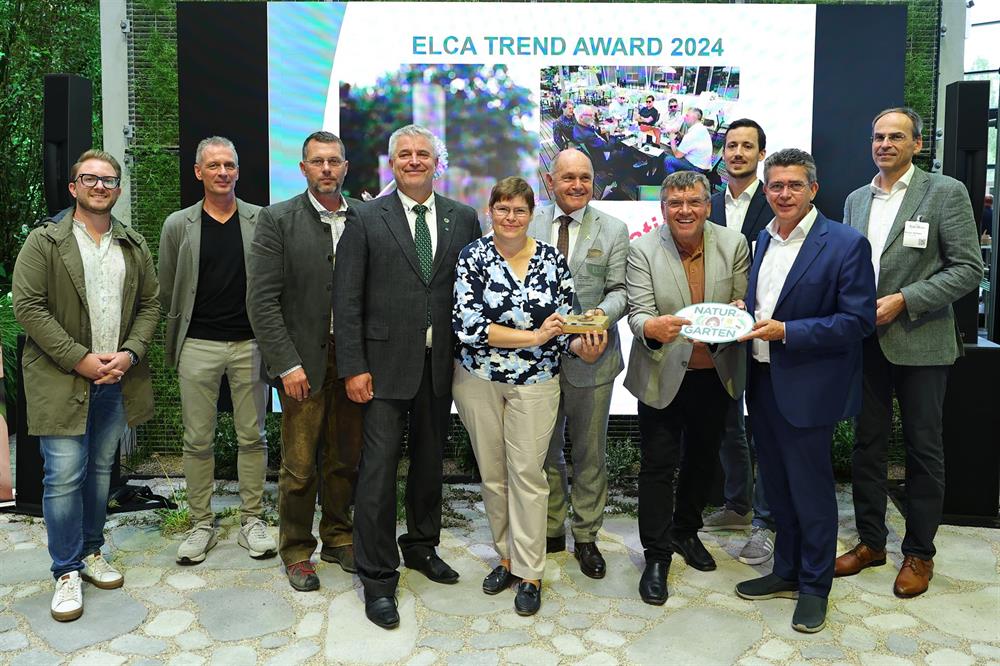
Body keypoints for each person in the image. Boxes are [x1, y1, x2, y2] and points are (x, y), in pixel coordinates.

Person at [333, 124, 481, 629]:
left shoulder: (463, 218)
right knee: (377, 473)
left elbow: (471, 294)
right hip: (380, 369)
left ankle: (421, 545)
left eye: (423, 154)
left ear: (437, 163)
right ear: (391, 163)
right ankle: (378, 577)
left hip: (440, 367)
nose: (414, 161)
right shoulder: (365, 217)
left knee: (429, 464)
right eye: (405, 154)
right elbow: (346, 299)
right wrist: (353, 366)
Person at [837, 107, 983, 597]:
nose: (885, 144)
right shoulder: (857, 199)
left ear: (917, 144)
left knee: (923, 449)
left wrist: (905, 300)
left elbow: (968, 268)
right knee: (867, 446)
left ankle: (919, 553)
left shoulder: (944, 192)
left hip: (922, 340)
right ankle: (871, 543)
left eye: (896, 137)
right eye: (878, 136)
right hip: (865, 342)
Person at [13, 149, 158, 621]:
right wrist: (81, 360)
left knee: (99, 472)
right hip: (60, 379)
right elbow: (28, 307)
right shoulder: (44, 241)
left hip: (116, 379)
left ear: (118, 189)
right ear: (74, 187)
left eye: (109, 180)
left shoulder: (132, 244)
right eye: (90, 178)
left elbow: (151, 305)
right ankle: (66, 570)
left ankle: (93, 551)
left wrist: (129, 354)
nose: (100, 186)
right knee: (63, 476)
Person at [735, 149, 875, 634]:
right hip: (763, 381)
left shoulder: (845, 243)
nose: (784, 194)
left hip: (809, 390)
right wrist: (743, 310)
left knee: (811, 493)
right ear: (766, 190)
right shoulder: (763, 238)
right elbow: (766, 302)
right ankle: (787, 570)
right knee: (776, 487)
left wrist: (788, 332)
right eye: (776, 185)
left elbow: (857, 321)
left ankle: (815, 587)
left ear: (813, 189)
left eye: (794, 185)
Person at [453, 177, 606, 616]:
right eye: (502, 209)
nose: (511, 217)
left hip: (537, 382)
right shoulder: (472, 256)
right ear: (490, 211)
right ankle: (505, 558)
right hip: (478, 379)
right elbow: (469, 326)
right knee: (493, 474)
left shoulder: (551, 259)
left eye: (519, 210)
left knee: (528, 475)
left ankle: (530, 572)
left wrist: (582, 343)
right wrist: (535, 337)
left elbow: (564, 325)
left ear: (531, 214)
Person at [624, 170, 750, 605]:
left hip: (715, 373)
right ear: (663, 209)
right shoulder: (642, 249)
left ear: (708, 206)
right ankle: (657, 555)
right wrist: (651, 327)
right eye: (675, 203)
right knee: (658, 466)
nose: (685, 210)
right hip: (661, 373)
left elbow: (740, 303)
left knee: (702, 460)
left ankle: (685, 531)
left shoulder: (734, 243)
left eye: (693, 202)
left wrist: (739, 312)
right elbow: (638, 314)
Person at [246, 131, 364, 591]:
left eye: (334, 161)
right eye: (318, 161)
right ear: (303, 168)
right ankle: (296, 549)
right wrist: (286, 364)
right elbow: (262, 301)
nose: (327, 169)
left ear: (346, 167)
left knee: (346, 458)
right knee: (298, 466)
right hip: (301, 363)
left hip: (351, 359)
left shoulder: (365, 217)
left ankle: (338, 537)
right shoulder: (278, 219)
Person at [159, 137, 275, 565]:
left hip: (251, 344)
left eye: (229, 164)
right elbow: (167, 287)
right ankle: (200, 524)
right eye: (213, 165)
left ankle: (252, 520)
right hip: (197, 345)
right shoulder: (178, 225)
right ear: (198, 172)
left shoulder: (262, 220)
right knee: (197, 439)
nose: (222, 172)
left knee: (253, 436)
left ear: (238, 171)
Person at [528, 148, 628, 579]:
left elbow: (620, 290)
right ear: (550, 181)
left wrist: (599, 319)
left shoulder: (614, 228)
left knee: (589, 454)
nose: (577, 185)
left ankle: (586, 536)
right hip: (537, 361)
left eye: (585, 177)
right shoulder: (526, 222)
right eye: (568, 177)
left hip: (593, 358)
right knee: (543, 452)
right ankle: (551, 528)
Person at [704, 118, 776, 565]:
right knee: (728, 424)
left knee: (766, 429)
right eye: (731, 145)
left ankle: (766, 522)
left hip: (768, 331)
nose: (737, 153)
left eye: (747, 146)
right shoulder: (707, 203)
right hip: (719, 334)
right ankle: (737, 505)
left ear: (761, 154)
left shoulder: (778, 199)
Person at [664, 108, 713, 174]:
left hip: (697, 169)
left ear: (694, 118)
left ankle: (672, 180)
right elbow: (693, 142)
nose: (684, 117)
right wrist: (680, 135)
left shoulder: (692, 134)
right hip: (703, 165)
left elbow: (677, 155)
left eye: (687, 115)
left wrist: (672, 139)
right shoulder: (701, 128)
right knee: (669, 152)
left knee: (668, 160)